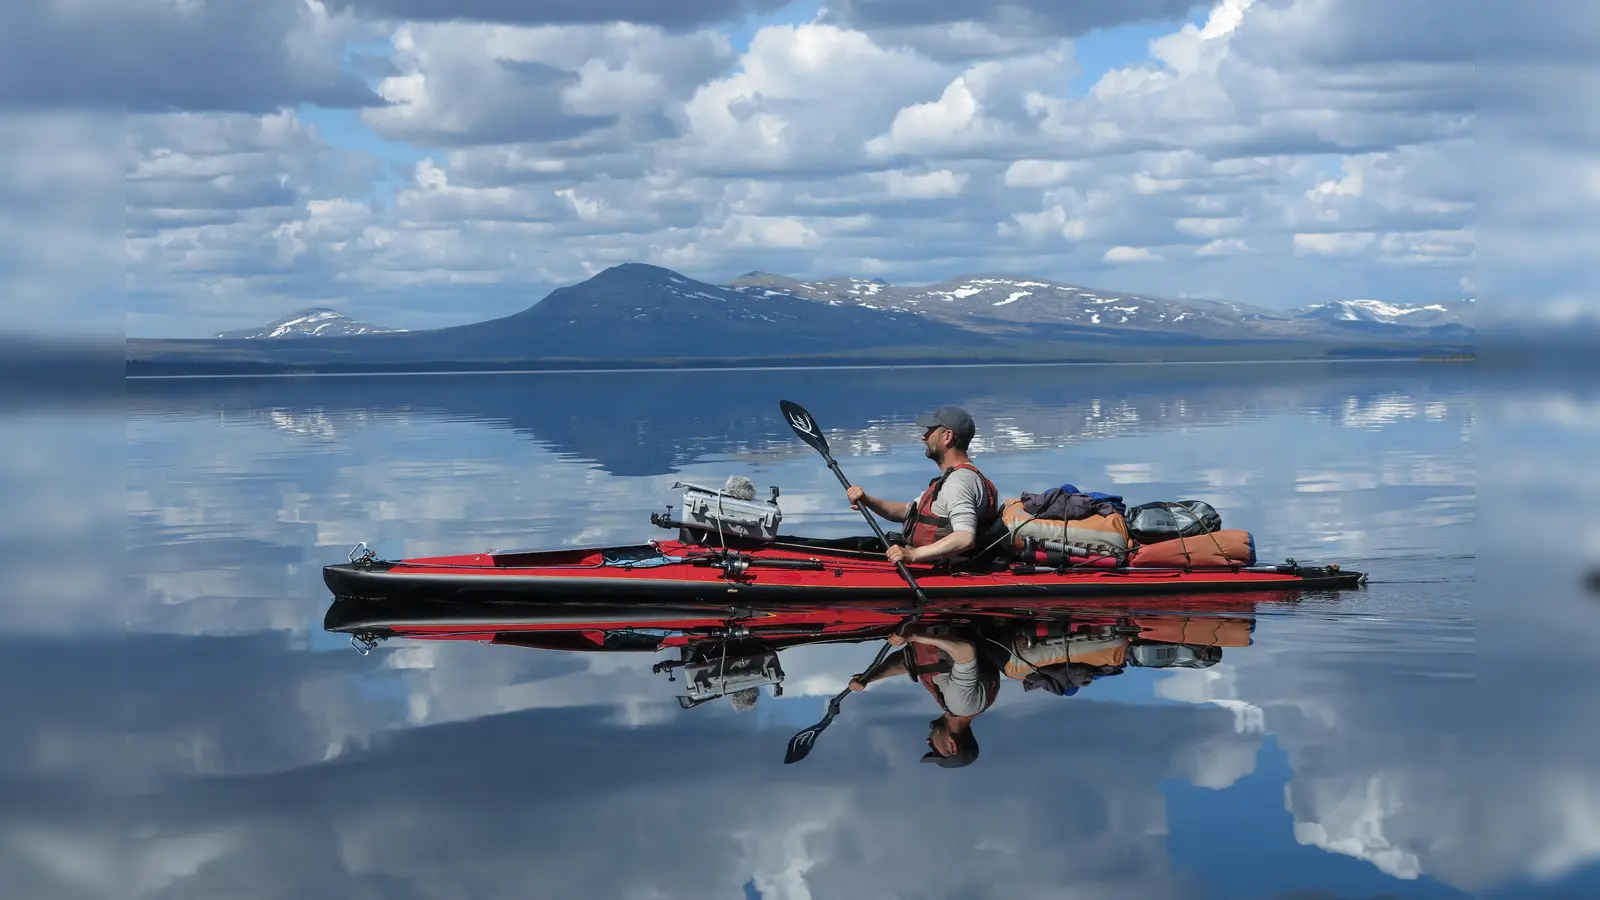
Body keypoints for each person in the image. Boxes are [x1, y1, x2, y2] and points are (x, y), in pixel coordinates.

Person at [845, 405, 1001, 568]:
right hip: (932, 563)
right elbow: (908, 512)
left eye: (930, 431)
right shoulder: (953, 477)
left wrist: (913, 555)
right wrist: (868, 500)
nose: (924, 437)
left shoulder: (959, 482)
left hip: (942, 570)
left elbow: (964, 537)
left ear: (947, 436)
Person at [847, 624, 999, 768]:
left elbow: (911, 662)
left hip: (929, 621)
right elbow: (966, 651)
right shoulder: (963, 705)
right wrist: (915, 637)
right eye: (933, 747)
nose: (928, 741)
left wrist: (870, 678)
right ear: (951, 745)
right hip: (940, 614)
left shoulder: (957, 706)